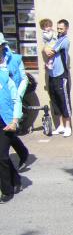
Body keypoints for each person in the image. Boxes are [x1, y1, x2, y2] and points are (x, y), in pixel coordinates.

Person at [0, 34, 29, 170]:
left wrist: (18, 95)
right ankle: (22, 153)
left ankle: (21, 153)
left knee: (8, 128)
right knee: (7, 130)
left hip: (13, 97)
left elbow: (24, 79)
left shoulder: (15, 59)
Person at [44, 19, 72, 137]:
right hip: (52, 74)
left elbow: (49, 52)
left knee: (64, 100)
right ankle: (60, 126)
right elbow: (45, 49)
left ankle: (68, 127)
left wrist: (45, 48)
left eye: (61, 28)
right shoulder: (56, 39)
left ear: (66, 29)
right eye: (58, 28)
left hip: (61, 75)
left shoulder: (65, 40)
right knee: (55, 100)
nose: (59, 30)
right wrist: (45, 48)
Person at [0, 61, 21, 203]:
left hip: (6, 123)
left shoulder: (6, 77)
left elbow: (17, 100)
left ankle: (7, 191)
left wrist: (14, 122)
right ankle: (16, 178)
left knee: (1, 156)